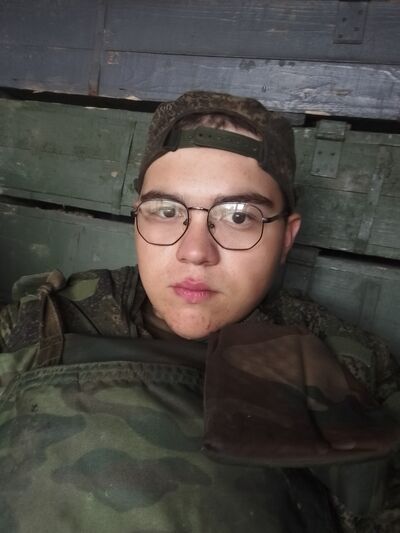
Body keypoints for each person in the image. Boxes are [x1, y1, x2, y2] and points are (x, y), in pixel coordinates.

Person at [0, 91, 399, 533]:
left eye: (239, 216)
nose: (195, 251)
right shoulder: (43, 318)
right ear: (137, 221)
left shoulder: (352, 366)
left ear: (286, 238)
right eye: (166, 211)